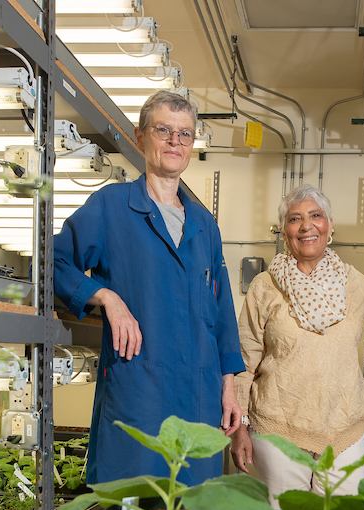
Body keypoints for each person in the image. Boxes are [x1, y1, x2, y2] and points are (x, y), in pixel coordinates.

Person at [53, 90, 244, 486]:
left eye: (185, 134)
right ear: (140, 138)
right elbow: (55, 260)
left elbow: (222, 312)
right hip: (139, 394)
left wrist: (229, 387)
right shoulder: (111, 206)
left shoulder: (205, 226)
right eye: (163, 130)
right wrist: (105, 296)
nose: (175, 141)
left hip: (199, 397)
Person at [231, 184, 364, 505]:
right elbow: (244, 362)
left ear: (329, 226)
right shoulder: (265, 286)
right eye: (295, 218)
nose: (306, 226)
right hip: (279, 430)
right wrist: (240, 429)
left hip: (344, 430)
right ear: (284, 231)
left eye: (316, 216)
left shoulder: (352, 281)